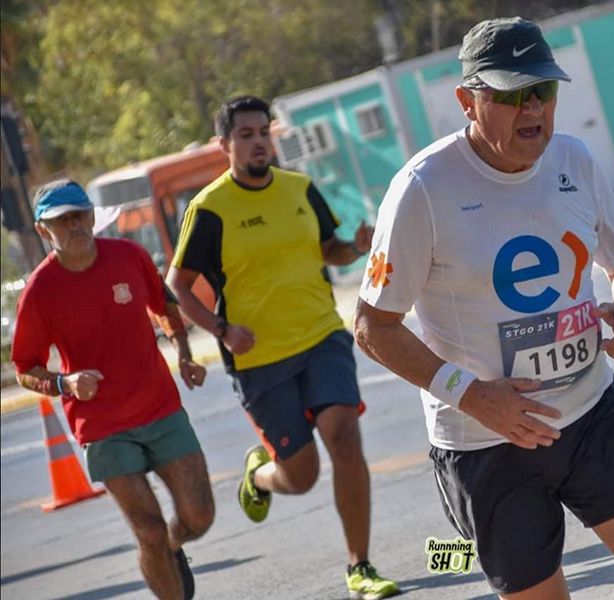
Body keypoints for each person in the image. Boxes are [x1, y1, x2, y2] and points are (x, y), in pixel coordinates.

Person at [354, 17, 614, 600]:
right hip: (487, 440)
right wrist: (472, 395)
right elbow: (372, 326)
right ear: (467, 100)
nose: (531, 106)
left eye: (544, 89)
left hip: (591, 410)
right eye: (510, 93)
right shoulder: (423, 189)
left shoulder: (575, 161)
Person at [166, 96, 400, 599]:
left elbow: (327, 249)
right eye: (245, 135)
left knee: (345, 437)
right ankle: (261, 476)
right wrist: (222, 330)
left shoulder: (301, 189)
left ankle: (360, 565)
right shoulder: (209, 209)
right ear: (224, 145)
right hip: (259, 357)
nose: (257, 142)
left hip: (321, 336)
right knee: (302, 475)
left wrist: (354, 246)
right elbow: (179, 285)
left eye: (263, 132)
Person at [12, 180, 214, 600]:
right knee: (149, 530)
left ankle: (173, 547)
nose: (75, 225)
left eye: (80, 215)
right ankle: (163, 556)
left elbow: (165, 305)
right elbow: (25, 368)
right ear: (42, 229)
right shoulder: (39, 291)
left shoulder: (129, 257)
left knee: (199, 516)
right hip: (101, 426)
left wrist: (184, 353)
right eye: (61, 220)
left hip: (160, 407)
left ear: (91, 215)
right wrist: (63, 383)